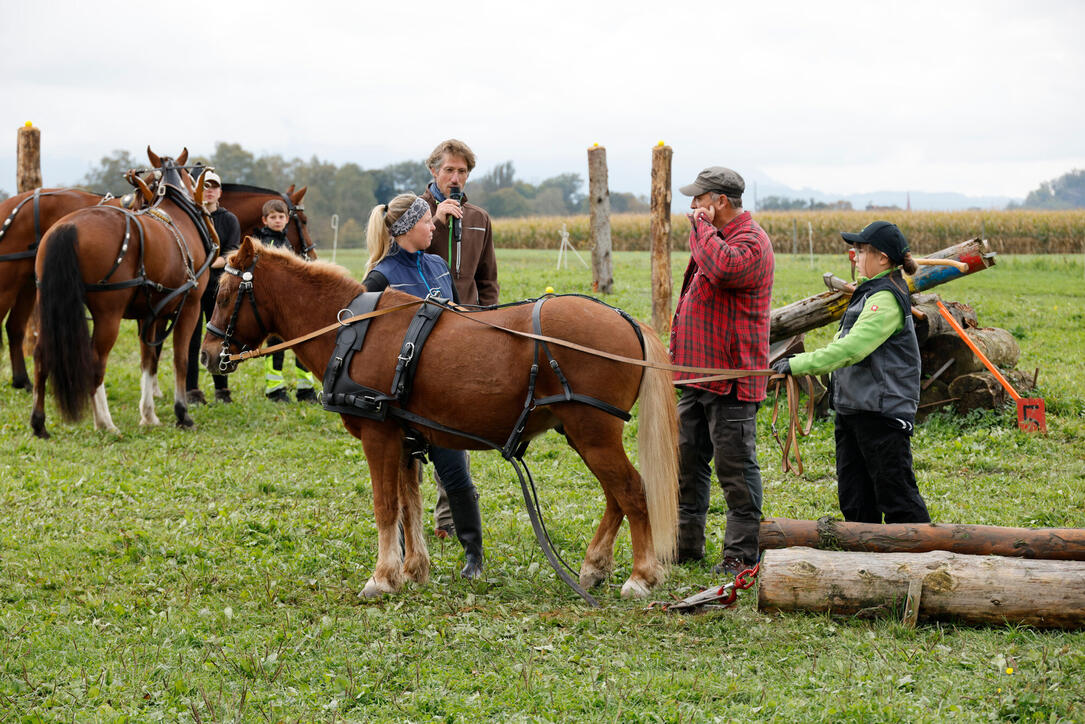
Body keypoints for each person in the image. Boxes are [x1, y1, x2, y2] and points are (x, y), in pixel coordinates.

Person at [774, 221, 930, 525]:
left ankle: (925, 563)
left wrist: (798, 364)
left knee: (897, 498)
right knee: (855, 500)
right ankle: (866, 565)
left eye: (861, 250)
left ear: (882, 258)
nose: (855, 256)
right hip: (855, 410)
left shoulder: (884, 299)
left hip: (881, 415)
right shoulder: (871, 291)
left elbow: (851, 350)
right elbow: (843, 342)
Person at [361, 193, 484, 579]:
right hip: (401, 401)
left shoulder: (438, 265)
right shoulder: (380, 277)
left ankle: (474, 556)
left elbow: (459, 319)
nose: (434, 226)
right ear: (405, 228)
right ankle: (396, 554)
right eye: (428, 221)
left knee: (456, 475)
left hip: (443, 398)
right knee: (399, 477)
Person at [670, 166, 775, 576]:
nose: (693, 207)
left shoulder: (750, 241)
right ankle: (684, 546)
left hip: (731, 378)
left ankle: (741, 555)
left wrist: (700, 227)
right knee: (688, 464)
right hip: (697, 375)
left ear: (720, 202)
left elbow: (723, 269)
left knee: (736, 470)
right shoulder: (718, 238)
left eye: (699, 200)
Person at [419, 139, 500, 539]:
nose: (455, 178)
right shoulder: (410, 210)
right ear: (433, 171)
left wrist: (487, 325)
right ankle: (403, 516)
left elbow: (488, 281)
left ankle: (448, 520)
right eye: (448, 170)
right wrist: (433, 220)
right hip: (417, 330)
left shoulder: (479, 218)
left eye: (462, 172)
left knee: (452, 424)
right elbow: (394, 257)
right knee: (411, 427)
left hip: (463, 332)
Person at [250, 199, 320, 403]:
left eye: (281, 217)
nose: (278, 220)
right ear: (265, 220)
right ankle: (275, 389)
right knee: (275, 348)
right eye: (273, 217)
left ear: (287, 219)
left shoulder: (287, 241)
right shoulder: (263, 243)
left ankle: (306, 389)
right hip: (273, 307)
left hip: (293, 306)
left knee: (302, 344)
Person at [186, 169, 240, 404]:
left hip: (217, 288)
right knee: (191, 339)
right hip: (191, 287)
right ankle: (192, 391)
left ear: (220, 192)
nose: (209, 191)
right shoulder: (191, 217)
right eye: (204, 187)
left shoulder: (229, 219)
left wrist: (204, 265)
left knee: (219, 339)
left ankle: (222, 390)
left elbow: (231, 253)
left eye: (213, 187)